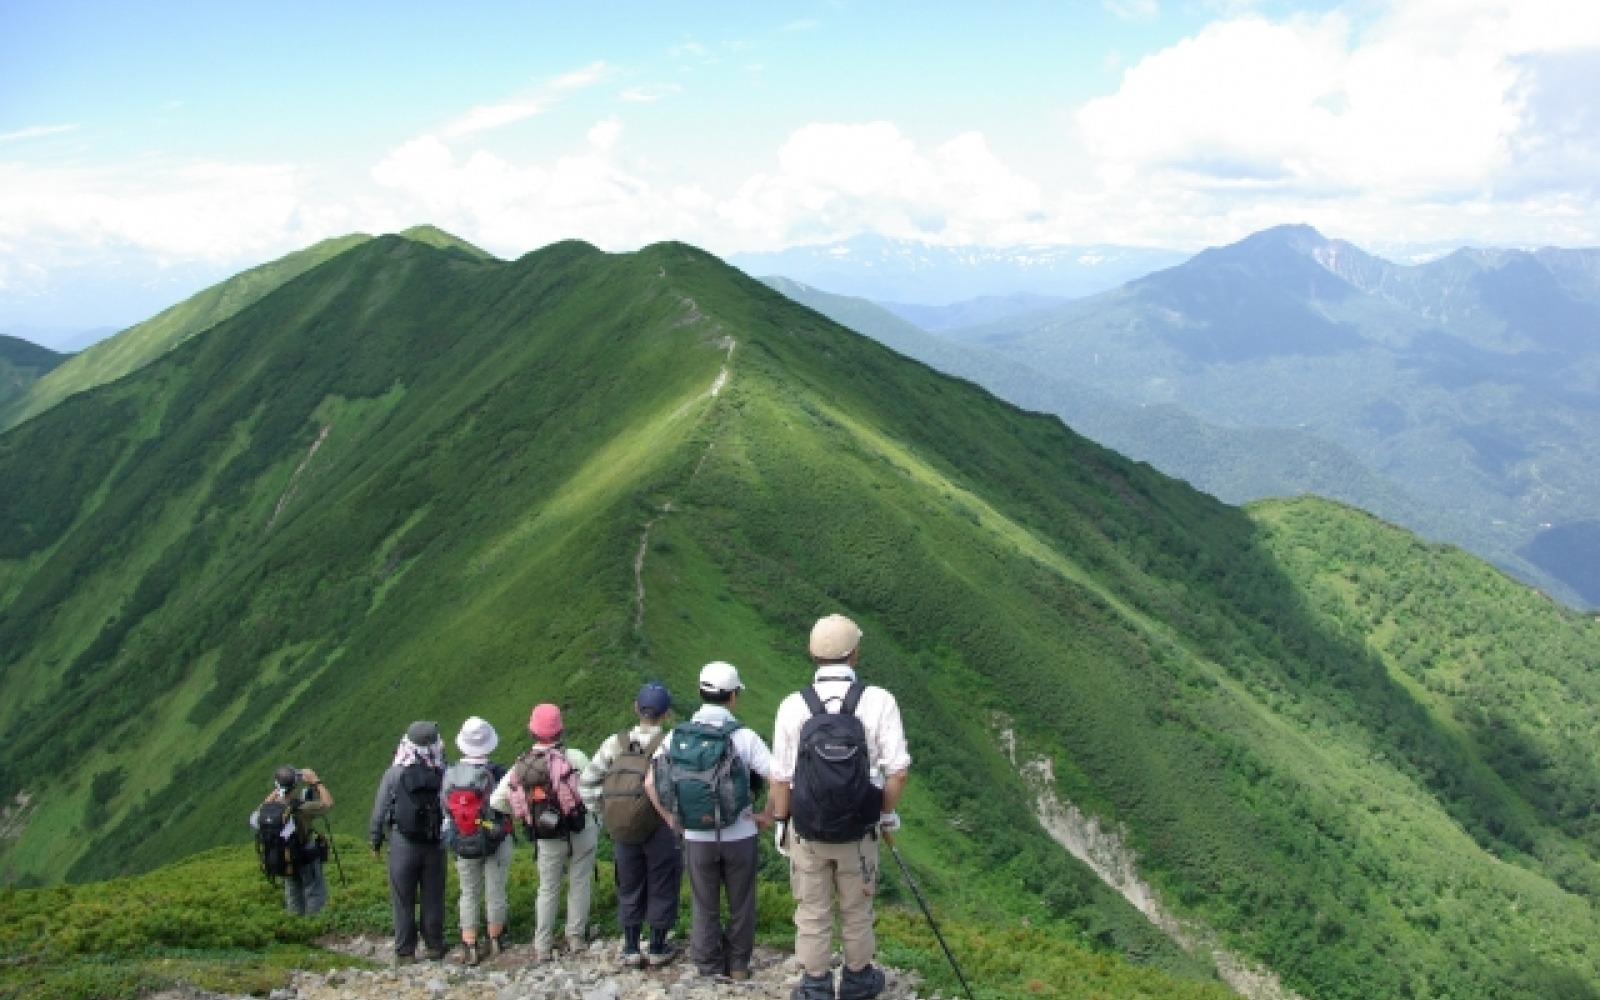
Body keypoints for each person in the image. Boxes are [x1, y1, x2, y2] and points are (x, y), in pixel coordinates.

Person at [771, 615, 911, 1000]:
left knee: (813, 909)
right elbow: (898, 771)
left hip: (808, 828)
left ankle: (815, 984)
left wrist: (782, 824)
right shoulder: (879, 701)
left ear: (812, 654)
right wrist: (883, 814)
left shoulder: (792, 705)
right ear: (855, 654)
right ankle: (857, 979)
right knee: (856, 908)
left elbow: (781, 777)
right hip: (859, 829)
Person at [648, 662, 773, 981]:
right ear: (733, 696)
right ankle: (739, 966)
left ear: (700, 693)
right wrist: (768, 816)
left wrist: (673, 819)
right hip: (740, 832)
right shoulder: (743, 737)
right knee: (741, 902)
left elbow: (650, 782)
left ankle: (708, 967)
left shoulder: (676, 736)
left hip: (696, 836)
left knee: (705, 904)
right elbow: (780, 777)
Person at [579, 681, 684, 969]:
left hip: (623, 827)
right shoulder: (671, 742)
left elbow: (586, 783)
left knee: (629, 883)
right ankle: (659, 945)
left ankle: (630, 946)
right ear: (667, 714)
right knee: (662, 882)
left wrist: (606, 812)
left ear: (636, 708)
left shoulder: (615, 743)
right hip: (661, 825)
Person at [494, 703, 597, 963]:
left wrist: (526, 814)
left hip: (545, 835)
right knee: (580, 881)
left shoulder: (521, 766)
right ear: (560, 729)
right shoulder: (575, 757)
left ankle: (542, 944)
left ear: (532, 730)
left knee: (547, 888)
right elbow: (594, 791)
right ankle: (575, 937)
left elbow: (497, 801)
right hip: (579, 829)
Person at [370, 720, 449, 964]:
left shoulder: (395, 773)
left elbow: (380, 810)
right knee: (433, 895)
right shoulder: (443, 770)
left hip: (403, 843)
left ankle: (405, 952)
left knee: (403, 898)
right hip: (435, 843)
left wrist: (375, 840)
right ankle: (434, 946)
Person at [443, 716, 513, 965]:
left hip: (463, 838)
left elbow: (446, 809)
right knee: (496, 889)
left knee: (468, 891)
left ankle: (470, 943)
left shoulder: (450, 774)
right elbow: (508, 804)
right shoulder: (497, 772)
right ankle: (495, 939)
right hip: (495, 838)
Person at [249, 765, 334, 915]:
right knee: (314, 892)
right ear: (294, 786)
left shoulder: (266, 812)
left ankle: (296, 926)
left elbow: (255, 818)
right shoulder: (302, 809)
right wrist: (316, 782)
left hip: (285, 858)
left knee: (293, 895)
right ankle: (316, 926)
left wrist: (277, 791)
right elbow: (328, 803)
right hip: (306, 855)